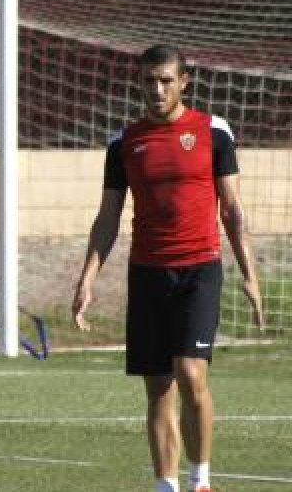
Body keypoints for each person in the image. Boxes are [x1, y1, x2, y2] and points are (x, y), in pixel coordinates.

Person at [71, 44, 264, 492]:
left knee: (191, 373)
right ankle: (166, 486)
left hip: (199, 269)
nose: (156, 90)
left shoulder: (214, 132)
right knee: (158, 388)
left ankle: (201, 481)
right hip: (147, 273)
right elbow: (107, 219)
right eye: (148, 81)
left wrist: (250, 275)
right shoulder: (123, 143)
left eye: (164, 80)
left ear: (183, 81)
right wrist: (87, 280)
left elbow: (233, 211)